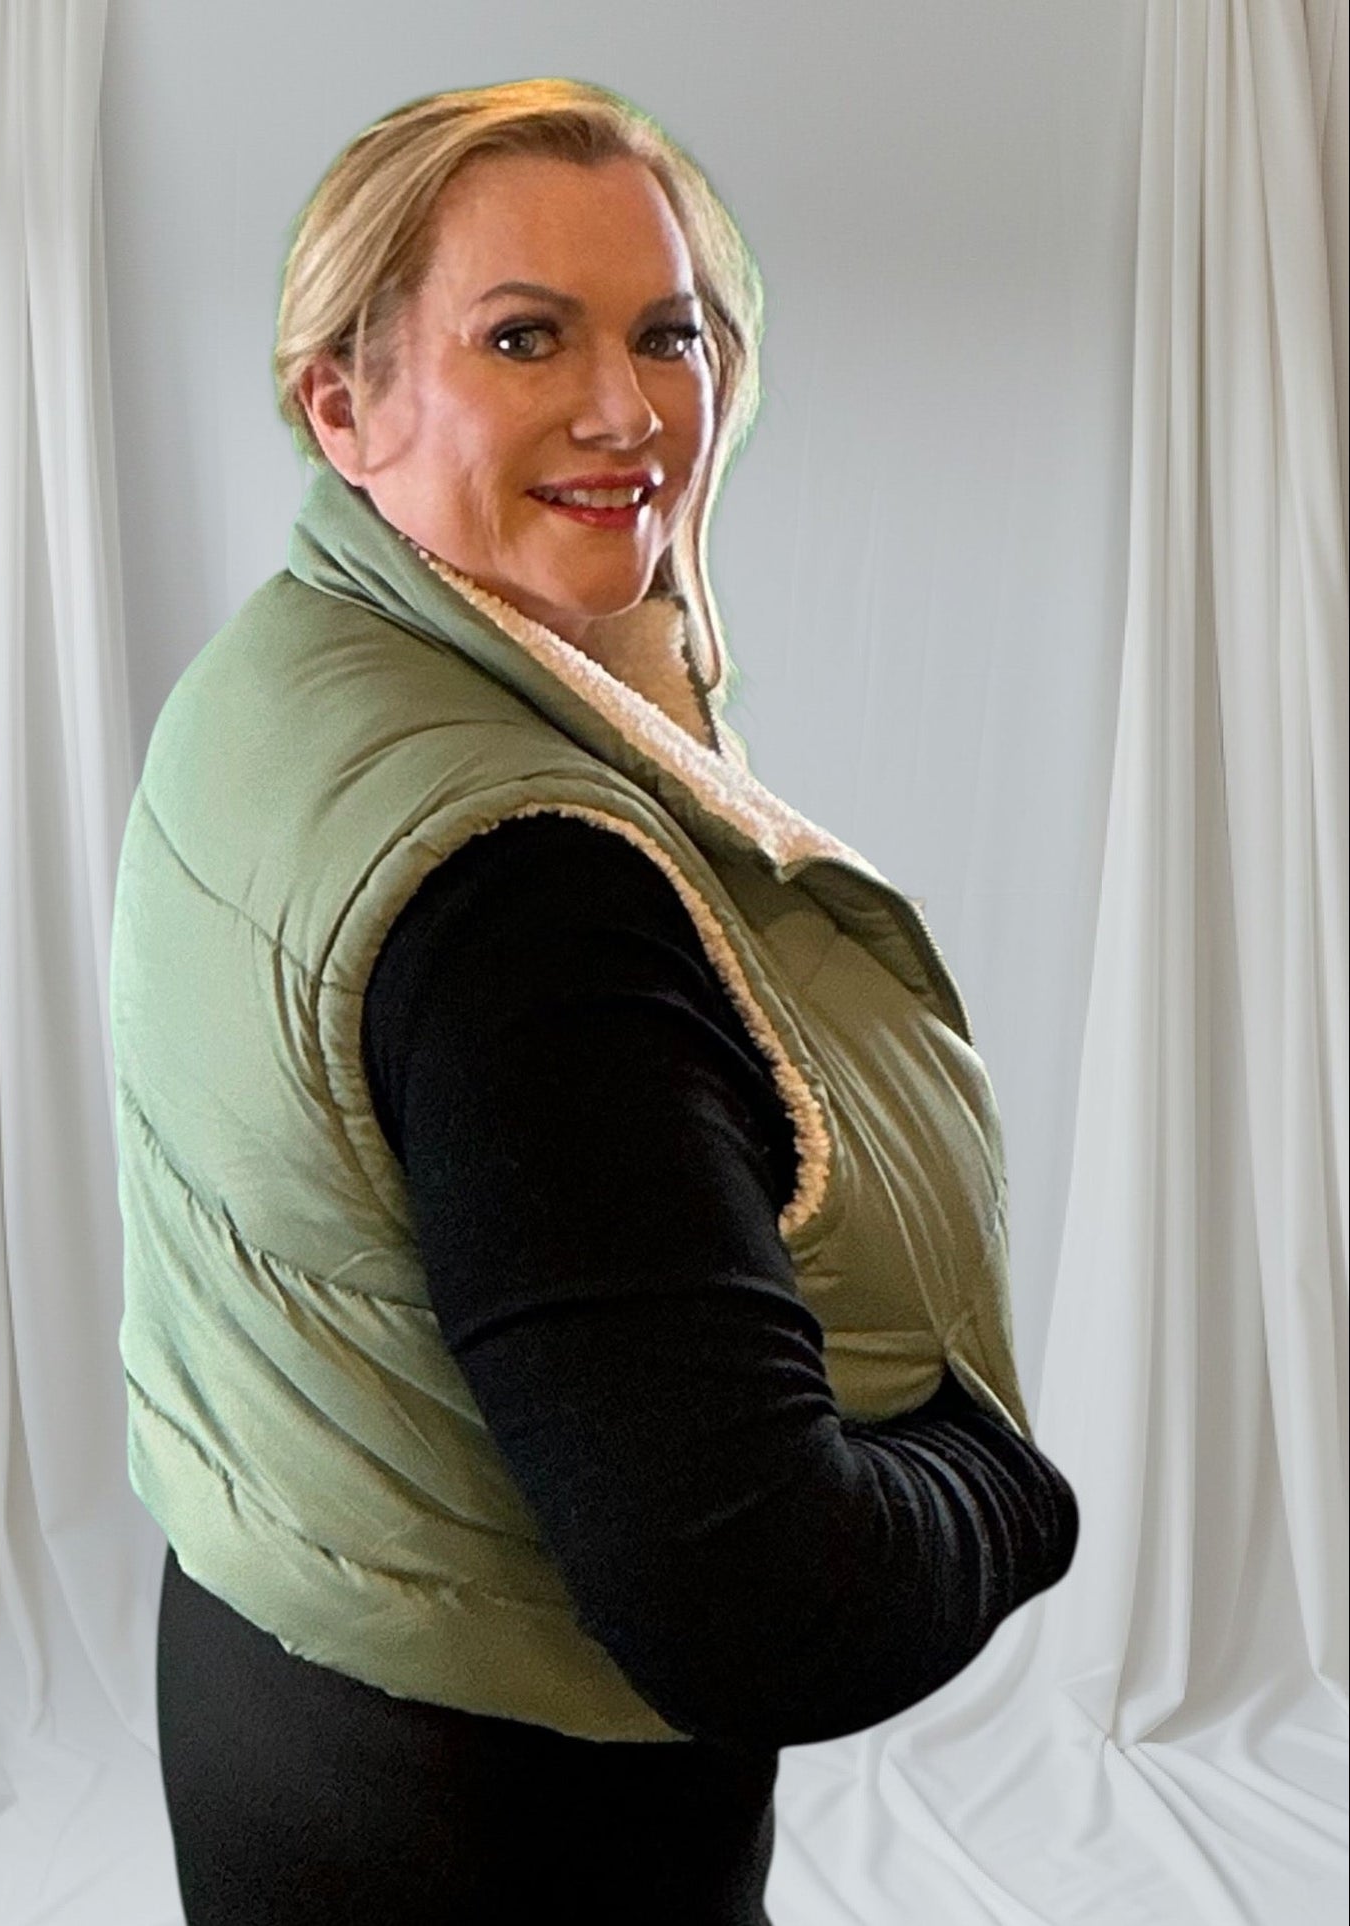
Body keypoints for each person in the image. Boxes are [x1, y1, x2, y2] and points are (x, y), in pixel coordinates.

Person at [112, 78, 1080, 1926]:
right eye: (522, 336)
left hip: (274, 1687)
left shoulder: (289, 672)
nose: (629, 409)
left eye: (670, 333)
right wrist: (1007, 1483)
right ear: (343, 401)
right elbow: (763, 1609)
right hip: (510, 1826)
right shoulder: (527, 894)